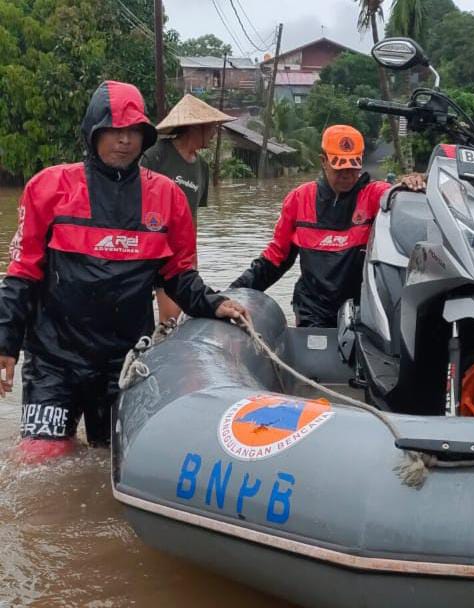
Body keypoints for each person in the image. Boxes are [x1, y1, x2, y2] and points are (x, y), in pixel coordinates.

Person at [0, 81, 247, 460]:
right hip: (54, 359)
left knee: (114, 458)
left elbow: (178, 275)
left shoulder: (167, 196)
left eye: (134, 131)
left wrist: (214, 303)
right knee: (42, 462)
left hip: (125, 360)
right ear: (93, 133)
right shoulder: (48, 188)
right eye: (114, 130)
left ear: (146, 138)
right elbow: (22, 273)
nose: (124, 140)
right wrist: (6, 343)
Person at [229, 124, 425, 327]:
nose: (347, 175)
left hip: (360, 310)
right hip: (312, 311)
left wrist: (414, 182)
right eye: (340, 168)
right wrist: (233, 292)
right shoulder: (299, 199)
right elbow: (275, 259)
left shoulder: (376, 195)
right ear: (323, 161)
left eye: (352, 167)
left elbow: (403, 199)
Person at [141, 94, 234, 322]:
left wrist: (193, 262)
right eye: (211, 128)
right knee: (162, 318)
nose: (214, 134)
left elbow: (193, 219)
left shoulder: (202, 167)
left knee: (173, 320)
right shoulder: (156, 156)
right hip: (151, 247)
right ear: (195, 128)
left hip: (178, 255)